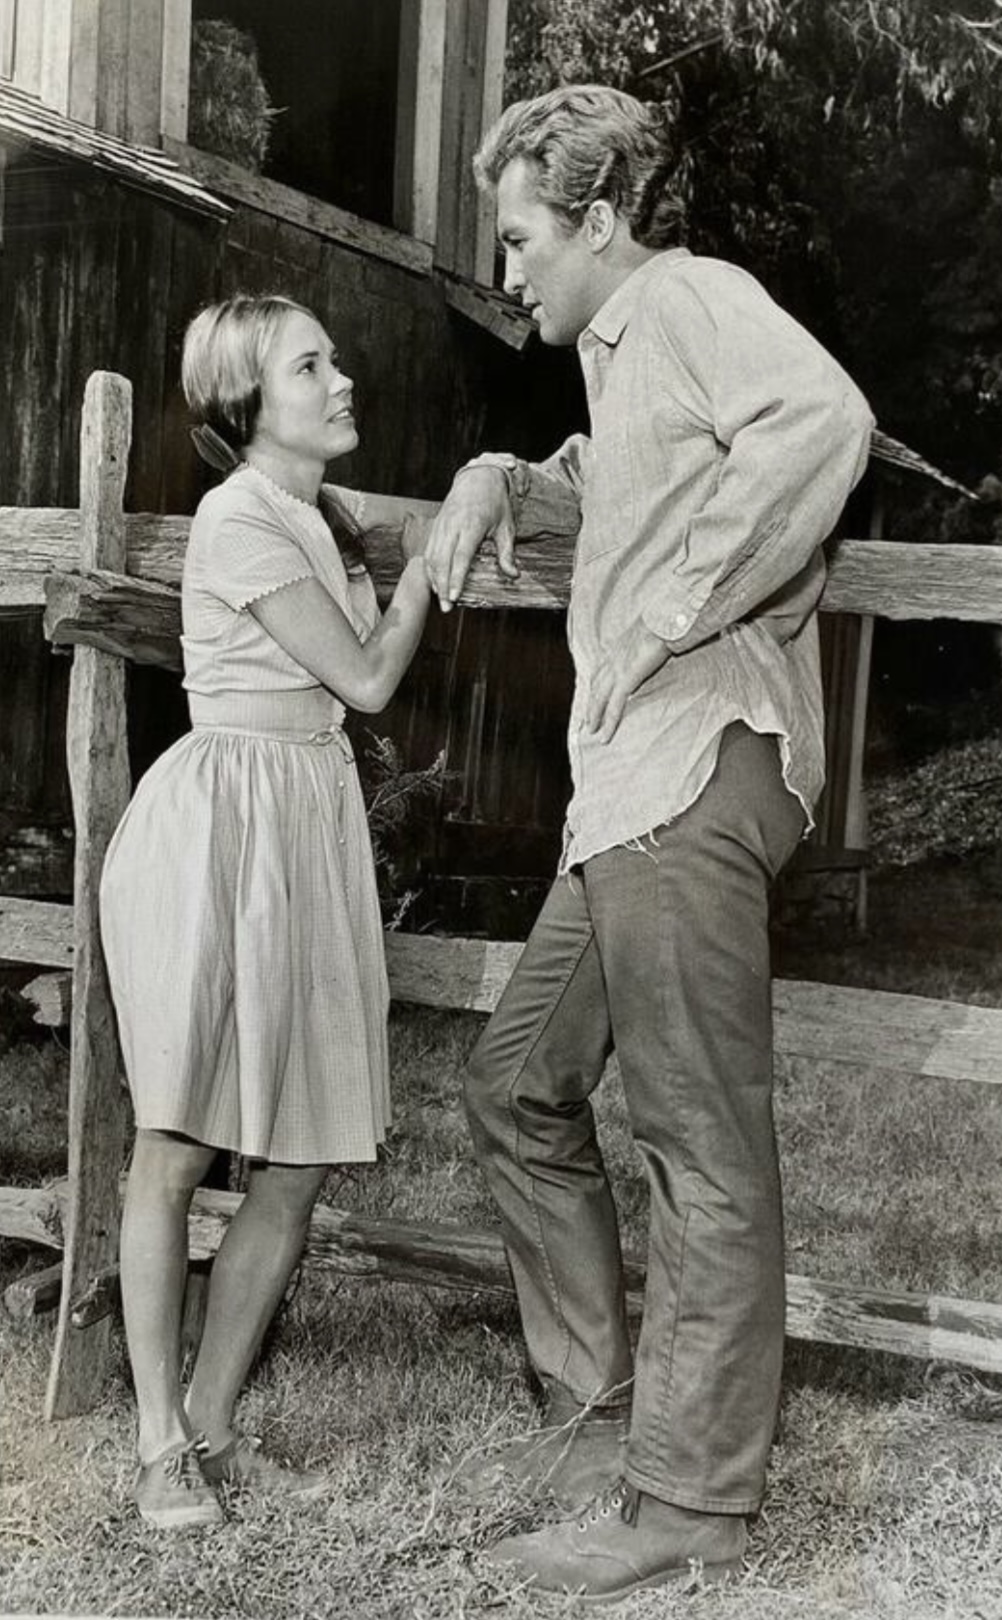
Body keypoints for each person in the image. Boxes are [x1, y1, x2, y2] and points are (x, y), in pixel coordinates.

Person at [424, 85, 874, 1602]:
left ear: (599, 220)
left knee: (695, 1142)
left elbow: (821, 420)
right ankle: (604, 1410)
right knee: (515, 1081)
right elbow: (603, 499)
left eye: (522, 239)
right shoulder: (620, 368)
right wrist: (498, 478)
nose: (512, 274)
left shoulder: (682, 299)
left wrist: (681, 605)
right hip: (626, 800)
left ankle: (685, 1501)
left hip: (692, 774)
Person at [100, 293, 431, 1529]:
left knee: (295, 1158)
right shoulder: (240, 521)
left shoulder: (316, 514)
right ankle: (153, 1448)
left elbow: (350, 669)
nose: (341, 379)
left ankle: (218, 1429)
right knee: (179, 1143)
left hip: (307, 816)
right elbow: (367, 677)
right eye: (312, 366)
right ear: (247, 406)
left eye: (335, 359)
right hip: (222, 825)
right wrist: (430, 575)